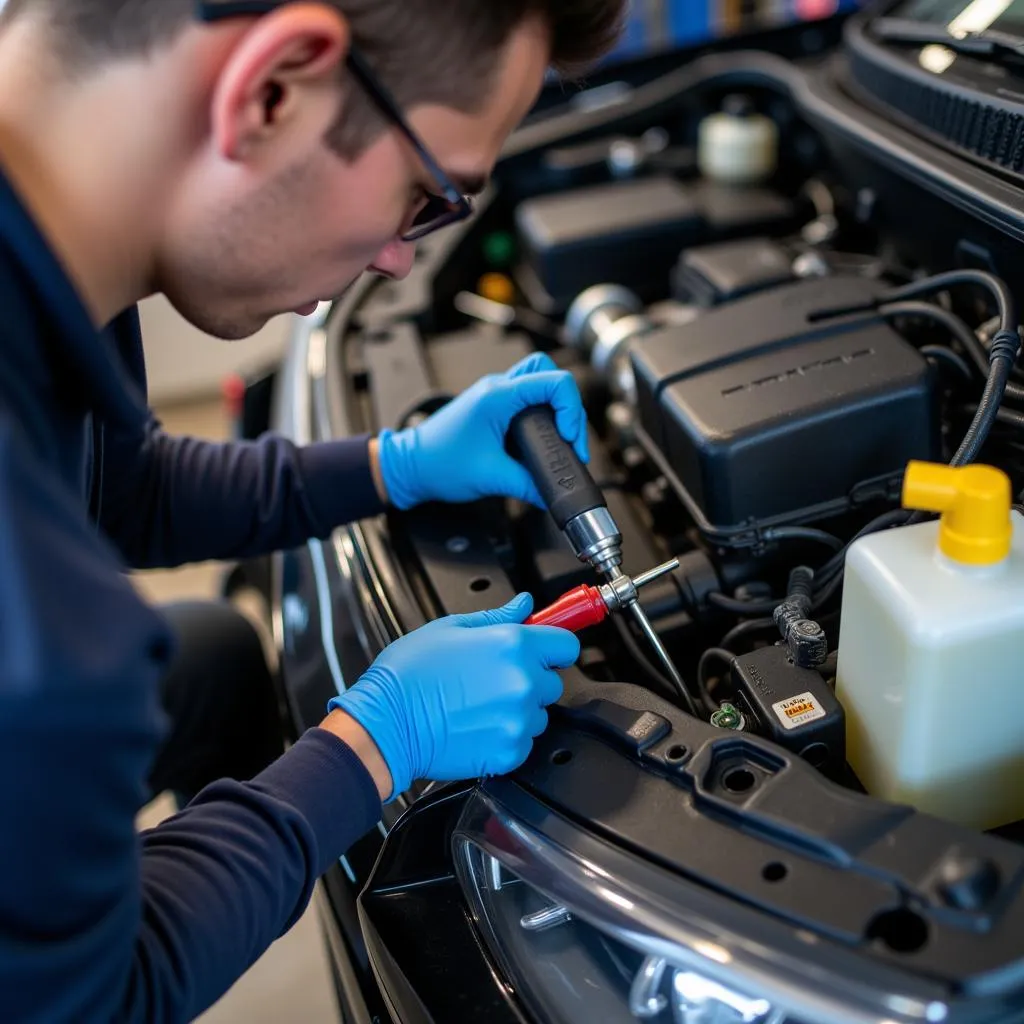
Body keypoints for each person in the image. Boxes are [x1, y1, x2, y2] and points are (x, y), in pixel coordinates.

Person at [0, 0, 626, 1021]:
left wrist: (394, 464)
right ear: (275, 88)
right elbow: (100, 994)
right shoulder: (39, 623)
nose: (397, 259)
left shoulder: (57, 255)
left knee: (209, 658)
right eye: (427, 194)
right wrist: (372, 744)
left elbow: (121, 488)